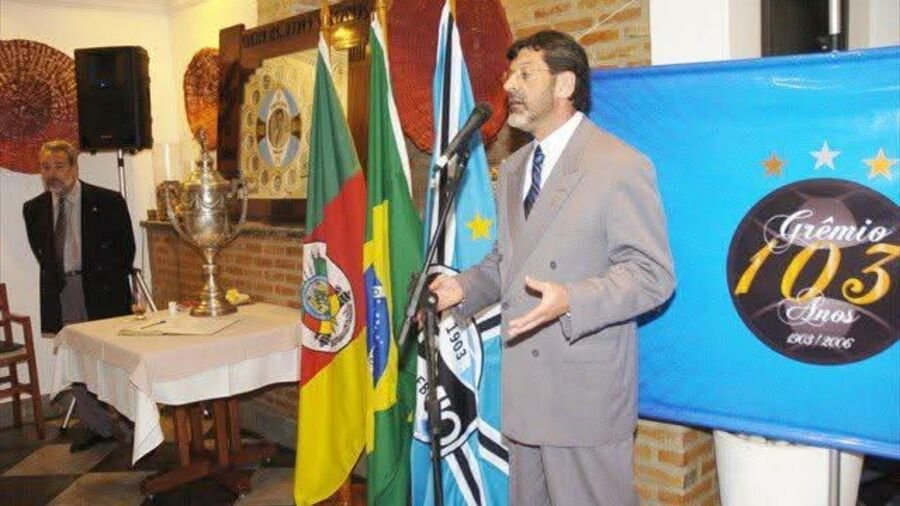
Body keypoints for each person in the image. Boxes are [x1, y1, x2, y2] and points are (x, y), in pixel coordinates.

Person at [429, 31, 675, 505]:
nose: (508, 86)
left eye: (525, 74)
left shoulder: (619, 164)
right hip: (526, 392)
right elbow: (509, 261)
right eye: (509, 74)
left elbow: (652, 274)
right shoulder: (516, 167)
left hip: (583, 395)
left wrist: (572, 299)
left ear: (564, 85)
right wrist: (459, 288)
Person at [23, 140, 135, 452]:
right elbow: (43, 255)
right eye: (45, 167)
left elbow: (126, 250)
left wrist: (106, 279)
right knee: (76, 362)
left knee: (115, 358)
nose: (52, 174)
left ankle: (130, 421)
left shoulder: (108, 201)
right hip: (64, 292)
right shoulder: (33, 209)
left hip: (102, 290)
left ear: (74, 167)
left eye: (59, 166)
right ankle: (98, 426)